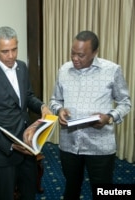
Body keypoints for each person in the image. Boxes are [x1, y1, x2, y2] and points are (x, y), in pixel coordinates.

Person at [50, 31, 131, 200]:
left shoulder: (112, 70)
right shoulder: (64, 70)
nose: (75, 58)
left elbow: (125, 103)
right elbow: (55, 100)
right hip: (69, 143)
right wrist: (59, 110)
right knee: (71, 187)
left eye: (81, 55)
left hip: (99, 145)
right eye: (72, 52)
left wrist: (109, 117)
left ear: (94, 53)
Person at [0, 26, 52, 200]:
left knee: (29, 189)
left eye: (14, 49)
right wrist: (10, 145)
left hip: (27, 143)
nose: (11, 56)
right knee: (6, 194)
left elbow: (28, 96)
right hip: (4, 149)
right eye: (5, 51)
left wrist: (42, 107)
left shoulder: (22, 67)